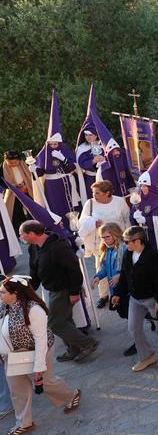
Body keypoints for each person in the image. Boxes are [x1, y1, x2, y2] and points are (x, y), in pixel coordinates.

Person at [0, 275, 83, 435]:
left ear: (15, 293)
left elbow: (41, 341)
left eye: (2, 292)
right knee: (17, 389)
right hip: (13, 356)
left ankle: (72, 395)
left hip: (36, 352)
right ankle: (23, 423)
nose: (0, 295)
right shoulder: (4, 307)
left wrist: (38, 370)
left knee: (45, 383)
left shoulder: (34, 310)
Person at [21, 220, 98, 363]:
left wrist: (74, 292)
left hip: (64, 289)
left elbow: (74, 269)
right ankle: (74, 349)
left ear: (32, 234)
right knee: (65, 321)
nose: (21, 237)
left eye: (22, 234)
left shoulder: (58, 247)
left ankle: (88, 344)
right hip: (52, 289)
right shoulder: (33, 247)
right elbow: (35, 270)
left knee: (55, 324)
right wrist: (29, 288)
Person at [113, 225, 158, 372]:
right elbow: (124, 276)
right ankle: (147, 355)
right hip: (135, 299)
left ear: (138, 241)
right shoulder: (128, 254)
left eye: (128, 241)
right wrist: (117, 293)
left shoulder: (156, 256)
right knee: (133, 328)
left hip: (154, 299)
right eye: (125, 241)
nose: (125, 244)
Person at [34, 90, 81, 219]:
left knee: (71, 206)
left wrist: (63, 158)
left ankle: (74, 227)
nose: (54, 146)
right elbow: (40, 171)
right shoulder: (44, 153)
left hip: (66, 181)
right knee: (56, 207)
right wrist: (33, 169)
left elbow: (72, 168)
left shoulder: (65, 150)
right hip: (52, 185)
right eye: (52, 144)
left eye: (56, 144)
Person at [77, 180, 130, 269]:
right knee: (102, 273)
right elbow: (81, 222)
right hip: (100, 245)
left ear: (107, 193)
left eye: (97, 193)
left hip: (120, 244)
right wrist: (92, 223)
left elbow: (127, 220)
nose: (94, 195)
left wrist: (128, 239)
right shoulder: (89, 203)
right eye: (93, 192)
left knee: (122, 271)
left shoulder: (120, 201)